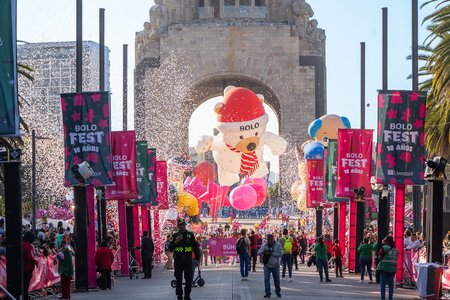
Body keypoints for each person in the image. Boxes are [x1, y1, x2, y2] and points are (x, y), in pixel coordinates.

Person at [169, 218, 200, 300]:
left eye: (183, 225)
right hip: (178, 260)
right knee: (178, 279)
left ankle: (187, 296)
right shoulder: (175, 235)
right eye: (180, 225)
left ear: (185, 225)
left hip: (188, 260)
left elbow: (195, 247)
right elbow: (170, 248)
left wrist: (197, 259)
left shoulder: (190, 234)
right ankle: (179, 295)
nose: (182, 226)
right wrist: (176, 242)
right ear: (178, 226)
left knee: (189, 279)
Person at [258, 234, 282, 298]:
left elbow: (280, 254)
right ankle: (267, 293)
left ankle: (278, 291)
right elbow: (259, 253)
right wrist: (264, 251)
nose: (270, 242)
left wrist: (272, 253)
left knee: (276, 280)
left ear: (273, 239)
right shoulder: (265, 244)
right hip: (267, 265)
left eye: (271, 240)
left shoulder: (278, 244)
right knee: (266, 279)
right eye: (269, 241)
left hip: (275, 265)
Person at [377, 235, 398, 300]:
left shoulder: (384, 248)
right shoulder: (396, 250)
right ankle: (390, 298)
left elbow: (379, 257)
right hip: (392, 268)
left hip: (384, 268)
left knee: (382, 285)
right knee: (391, 286)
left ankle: (383, 298)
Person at [23, 231, 39, 300]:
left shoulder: (22, 244)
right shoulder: (29, 246)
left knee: (23, 285)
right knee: (26, 285)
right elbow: (30, 257)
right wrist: (36, 262)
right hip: (27, 268)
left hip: (22, 268)